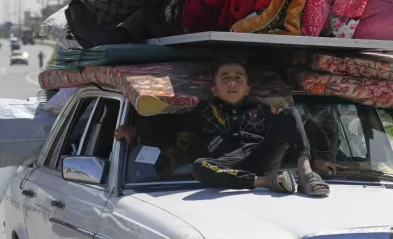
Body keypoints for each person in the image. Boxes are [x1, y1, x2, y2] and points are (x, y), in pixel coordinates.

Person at [115, 59, 329, 196]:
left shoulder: (262, 109)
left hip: (261, 156)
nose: (232, 83)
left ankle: (307, 175)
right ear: (214, 90)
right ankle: (267, 182)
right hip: (226, 166)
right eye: (225, 79)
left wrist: (316, 158)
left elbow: (292, 132)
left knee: (290, 113)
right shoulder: (202, 111)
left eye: (238, 79)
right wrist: (135, 131)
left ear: (247, 89)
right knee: (200, 166)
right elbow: (168, 127)